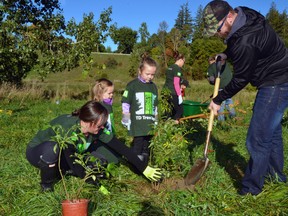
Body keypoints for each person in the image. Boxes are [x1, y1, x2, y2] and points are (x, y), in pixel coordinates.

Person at [203, 0, 288, 195]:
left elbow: (241, 78)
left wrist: (217, 99)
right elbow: (236, 40)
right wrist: (226, 54)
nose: (218, 34)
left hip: (276, 82)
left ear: (230, 17)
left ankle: (251, 190)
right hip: (281, 75)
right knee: (271, 134)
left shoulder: (245, 41)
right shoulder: (245, 15)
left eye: (218, 29)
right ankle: (276, 177)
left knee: (257, 139)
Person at [26, 101, 162, 192]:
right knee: (53, 148)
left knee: (112, 158)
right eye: (99, 125)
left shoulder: (96, 129)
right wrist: (95, 184)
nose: (102, 127)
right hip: (38, 153)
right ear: (88, 122)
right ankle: (47, 184)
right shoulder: (67, 128)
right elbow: (72, 159)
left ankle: (69, 171)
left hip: (67, 156)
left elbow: (121, 148)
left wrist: (144, 168)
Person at [121, 53, 158, 166]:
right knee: (138, 142)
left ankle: (144, 163)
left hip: (149, 121)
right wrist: (126, 118)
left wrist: (156, 119)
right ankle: (135, 164)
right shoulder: (132, 85)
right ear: (140, 71)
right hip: (137, 121)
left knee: (147, 143)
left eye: (152, 75)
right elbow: (126, 103)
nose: (150, 77)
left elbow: (155, 105)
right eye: (147, 74)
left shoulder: (153, 87)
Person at [91, 78, 120, 164]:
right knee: (114, 161)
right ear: (100, 93)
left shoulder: (108, 105)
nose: (111, 95)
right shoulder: (98, 107)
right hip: (101, 139)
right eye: (109, 93)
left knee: (118, 157)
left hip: (109, 135)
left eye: (112, 93)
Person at [207, 56, 236, 121]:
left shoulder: (212, 66)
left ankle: (221, 122)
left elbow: (211, 79)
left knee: (220, 105)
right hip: (229, 88)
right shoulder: (226, 64)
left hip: (220, 89)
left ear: (211, 61)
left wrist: (211, 81)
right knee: (229, 103)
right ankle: (233, 119)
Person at [162, 51, 186, 123]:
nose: (183, 64)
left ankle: (165, 125)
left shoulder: (170, 67)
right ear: (180, 60)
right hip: (173, 92)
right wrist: (179, 95)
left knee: (168, 111)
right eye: (183, 62)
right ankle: (174, 125)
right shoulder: (177, 69)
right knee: (179, 110)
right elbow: (175, 83)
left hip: (165, 91)